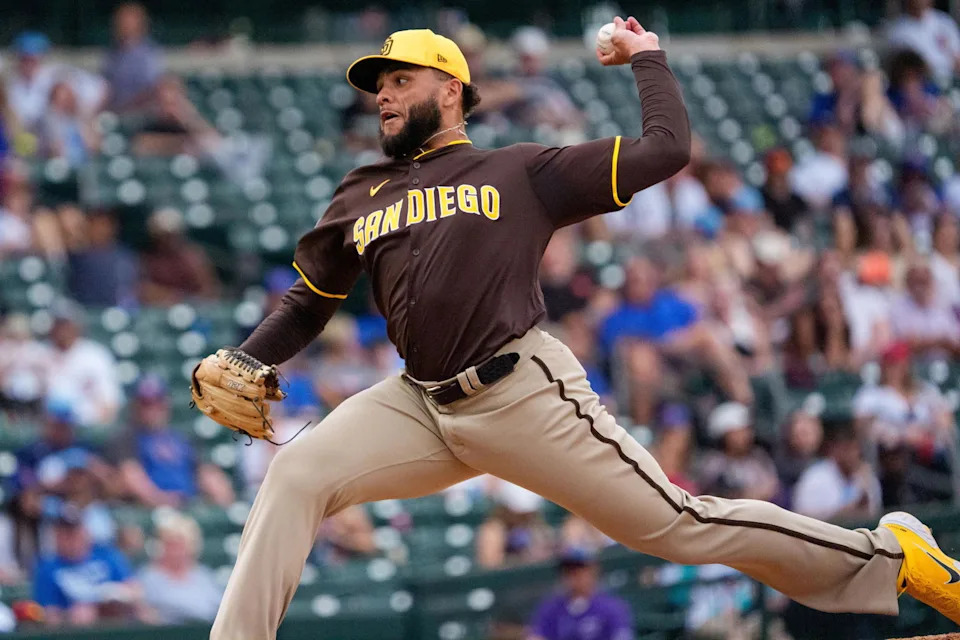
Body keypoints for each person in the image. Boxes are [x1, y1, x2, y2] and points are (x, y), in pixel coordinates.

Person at [203, 21, 960, 639]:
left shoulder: (518, 170)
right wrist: (245, 357)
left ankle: (892, 558)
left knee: (677, 524)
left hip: (519, 391)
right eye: (379, 86)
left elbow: (667, 150)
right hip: (417, 403)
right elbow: (308, 302)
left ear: (450, 89)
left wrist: (649, 59)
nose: (383, 96)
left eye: (400, 80)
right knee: (295, 475)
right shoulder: (360, 192)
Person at [111, 375, 234, 508]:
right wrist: (165, 501)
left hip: (188, 503)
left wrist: (223, 498)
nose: (153, 408)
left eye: (158, 401)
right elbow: (132, 477)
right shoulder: (126, 439)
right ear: (135, 406)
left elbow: (206, 472)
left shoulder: (181, 439)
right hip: (153, 509)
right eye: (146, 403)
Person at [32, 503, 142, 627]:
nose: (72, 540)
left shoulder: (107, 555)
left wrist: (102, 607)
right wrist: (69, 615)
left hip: (116, 622)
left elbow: (134, 590)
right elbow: (49, 615)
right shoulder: (47, 568)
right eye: (65, 534)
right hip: (76, 630)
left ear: (86, 532)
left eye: (76, 532)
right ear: (56, 537)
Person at [44, 300, 123, 427]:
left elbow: (110, 405)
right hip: (48, 428)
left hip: (85, 428)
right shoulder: (39, 353)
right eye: (58, 324)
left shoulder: (95, 355)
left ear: (77, 326)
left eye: (66, 324)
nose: (62, 330)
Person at [527, 548, 634, 640]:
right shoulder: (551, 608)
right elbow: (536, 636)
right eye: (568, 571)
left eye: (578, 570)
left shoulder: (611, 607)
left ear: (593, 570)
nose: (573, 575)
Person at [138, 512, 223, 624]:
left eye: (180, 544)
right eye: (170, 544)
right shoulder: (148, 578)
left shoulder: (204, 576)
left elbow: (217, 609)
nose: (175, 551)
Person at [792, 423, 882, 521]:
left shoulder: (866, 477)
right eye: (846, 449)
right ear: (835, 450)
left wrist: (864, 497)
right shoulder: (815, 477)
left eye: (855, 449)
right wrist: (846, 511)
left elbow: (874, 514)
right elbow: (802, 517)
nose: (852, 454)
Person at [698, 402, 780, 502]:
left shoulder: (759, 457)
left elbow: (773, 488)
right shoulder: (714, 463)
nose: (745, 436)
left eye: (747, 430)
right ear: (724, 435)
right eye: (738, 432)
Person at [139, 207, 221, 304]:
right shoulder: (146, 258)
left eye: (172, 234)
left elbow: (209, 290)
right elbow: (144, 290)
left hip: (194, 308)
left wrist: (185, 299)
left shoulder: (193, 257)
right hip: (157, 309)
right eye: (164, 235)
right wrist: (169, 296)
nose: (169, 239)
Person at [67, 209, 138, 307]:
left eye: (104, 225)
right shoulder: (76, 257)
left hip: (117, 310)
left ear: (113, 228)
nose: (99, 230)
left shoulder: (125, 257)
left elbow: (131, 290)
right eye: (95, 225)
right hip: (84, 310)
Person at [890, 260, 960, 359]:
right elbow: (907, 344)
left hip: (947, 362)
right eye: (915, 282)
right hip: (915, 363)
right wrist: (940, 341)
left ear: (932, 282)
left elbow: (956, 341)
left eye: (924, 282)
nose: (919, 287)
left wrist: (938, 342)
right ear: (907, 283)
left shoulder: (944, 305)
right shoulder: (898, 307)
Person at [101, 2, 164, 112]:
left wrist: (127, 107)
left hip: (143, 113)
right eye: (121, 21)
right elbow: (107, 87)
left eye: (129, 21)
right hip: (116, 111)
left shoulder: (150, 53)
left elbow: (153, 88)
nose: (124, 25)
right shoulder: (112, 53)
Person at [887, 0, 960, 82]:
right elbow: (909, 68)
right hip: (925, 82)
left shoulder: (944, 21)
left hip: (953, 78)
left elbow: (957, 58)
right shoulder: (898, 30)